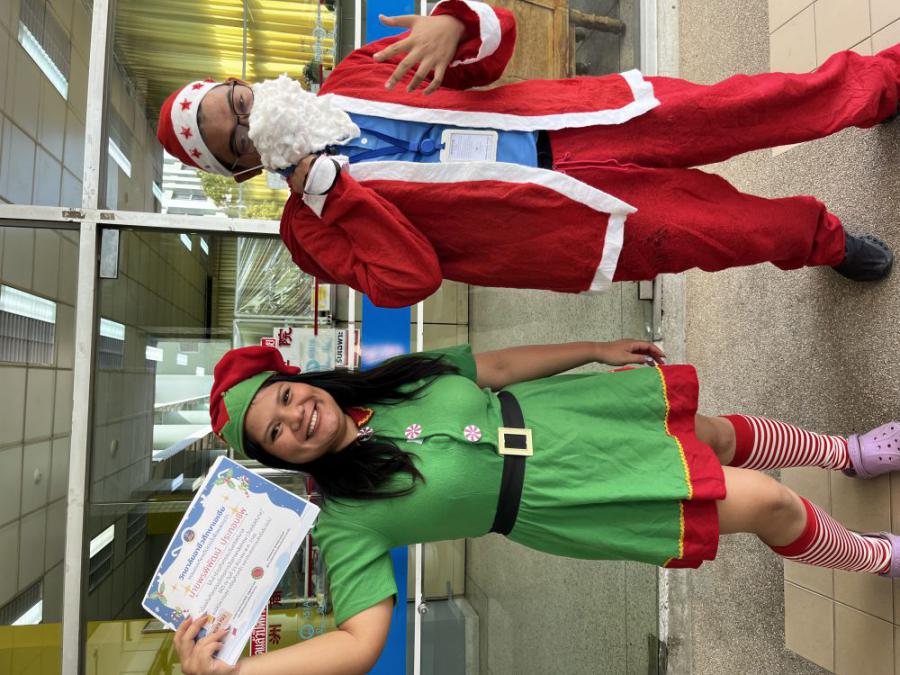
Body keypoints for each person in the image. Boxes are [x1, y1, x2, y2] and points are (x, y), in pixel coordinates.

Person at [175, 341, 900, 674]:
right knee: (767, 500)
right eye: (276, 431)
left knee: (711, 433)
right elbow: (361, 642)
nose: (296, 415)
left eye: (286, 395)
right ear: (281, 457)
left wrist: (591, 349)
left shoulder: (386, 380)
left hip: (574, 413)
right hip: (566, 496)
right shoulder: (344, 518)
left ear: (299, 379)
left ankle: (845, 452)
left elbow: (493, 367)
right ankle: (874, 556)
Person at [156, 1, 898, 308]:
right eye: (236, 136)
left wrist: (455, 23)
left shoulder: (356, 73)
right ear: (243, 167)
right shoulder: (309, 232)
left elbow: (496, 41)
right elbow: (410, 278)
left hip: (587, 120)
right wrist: (329, 191)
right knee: (732, 232)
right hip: (571, 225)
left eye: (238, 99)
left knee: (749, 104)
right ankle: (821, 240)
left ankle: (878, 85)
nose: (251, 117)